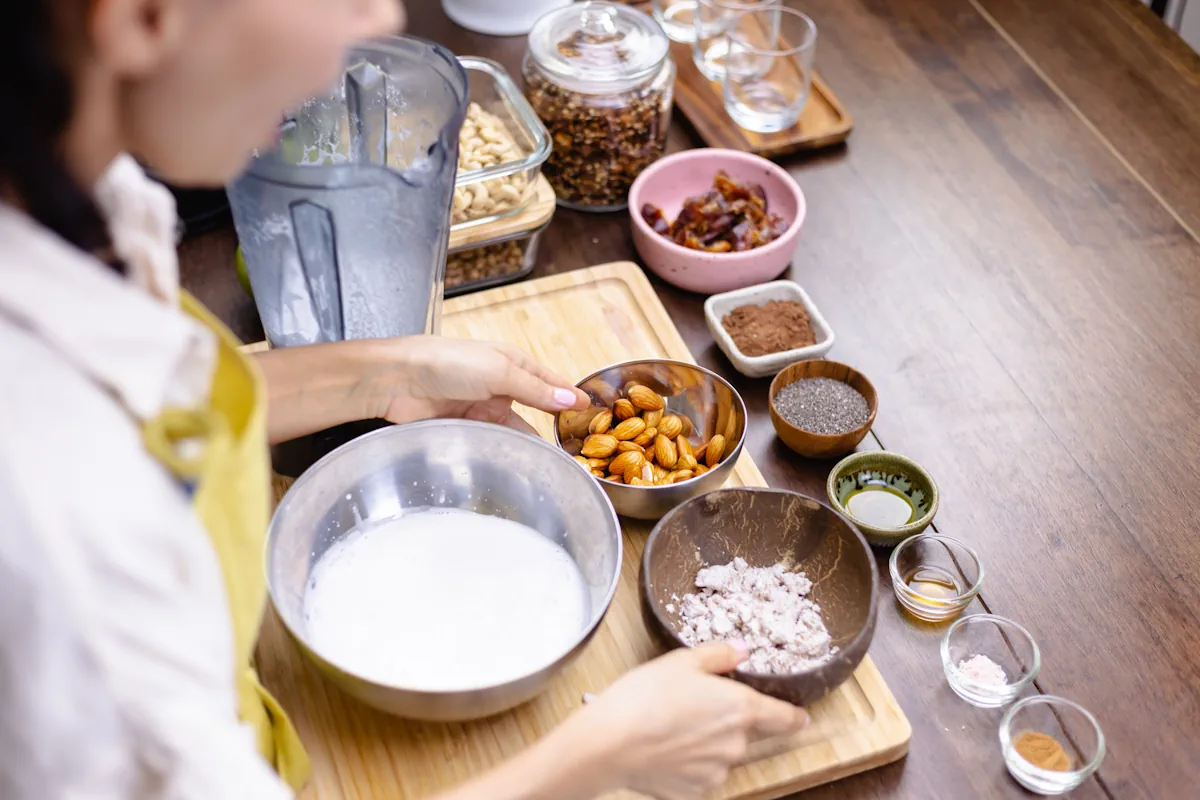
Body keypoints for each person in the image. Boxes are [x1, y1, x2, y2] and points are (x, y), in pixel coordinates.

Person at [0, 1, 809, 799]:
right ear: (141, 18)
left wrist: (385, 375)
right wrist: (602, 756)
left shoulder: (70, 188)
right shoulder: (56, 525)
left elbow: (148, 405)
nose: (382, 19)